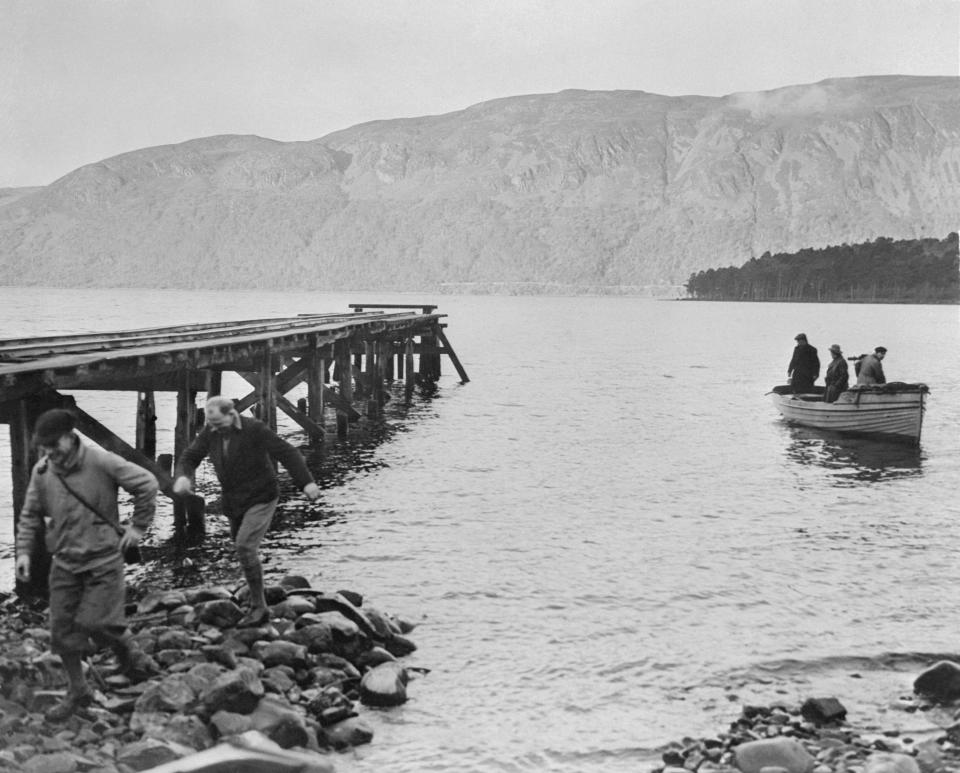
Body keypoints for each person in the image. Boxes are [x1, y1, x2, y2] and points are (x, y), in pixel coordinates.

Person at [15, 408, 159, 721]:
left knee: (97, 623)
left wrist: (138, 527)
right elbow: (29, 515)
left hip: (103, 558)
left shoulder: (101, 461)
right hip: (64, 562)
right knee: (62, 632)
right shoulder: (43, 472)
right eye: (44, 447)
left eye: (54, 444)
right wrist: (24, 552)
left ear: (70, 437)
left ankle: (129, 652)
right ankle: (78, 692)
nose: (49, 452)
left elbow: (147, 483)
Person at [173, 396, 321, 627]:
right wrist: (183, 476)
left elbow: (287, 452)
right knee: (241, 547)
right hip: (234, 500)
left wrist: (306, 483)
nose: (216, 429)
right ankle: (254, 592)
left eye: (220, 424)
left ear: (232, 415)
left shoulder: (254, 429)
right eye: (213, 424)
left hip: (261, 496)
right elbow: (190, 456)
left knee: (245, 545)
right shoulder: (211, 431)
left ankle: (259, 607)